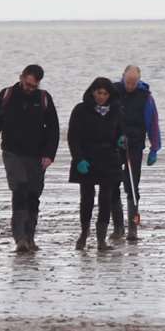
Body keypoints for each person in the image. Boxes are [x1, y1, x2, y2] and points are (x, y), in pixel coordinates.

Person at [0, 64, 59, 252]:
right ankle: (20, 238)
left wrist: (49, 155)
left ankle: (30, 237)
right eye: (27, 84)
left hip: (37, 155)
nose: (29, 88)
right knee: (20, 187)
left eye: (34, 86)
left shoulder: (44, 98)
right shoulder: (6, 95)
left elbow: (53, 130)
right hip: (12, 152)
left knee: (34, 194)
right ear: (21, 77)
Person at [66, 76, 128, 250]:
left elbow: (120, 133)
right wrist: (78, 159)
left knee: (106, 199)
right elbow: (73, 137)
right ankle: (84, 233)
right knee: (86, 198)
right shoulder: (80, 110)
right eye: (98, 92)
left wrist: (121, 141)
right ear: (92, 92)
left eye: (105, 93)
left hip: (109, 159)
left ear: (110, 94)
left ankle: (101, 238)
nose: (101, 96)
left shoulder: (117, 111)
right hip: (86, 157)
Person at [111, 64, 161, 242]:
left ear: (139, 81)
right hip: (115, 145)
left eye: (134, 82)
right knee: (112, 184)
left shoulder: (145, 97)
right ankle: (118, 227)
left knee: (132, 185)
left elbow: (152, 123)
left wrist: (154, 148)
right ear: (123, 77)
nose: (130, 85)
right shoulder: (113, 92)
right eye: (128, 81)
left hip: (135, 145)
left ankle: (133, 227)